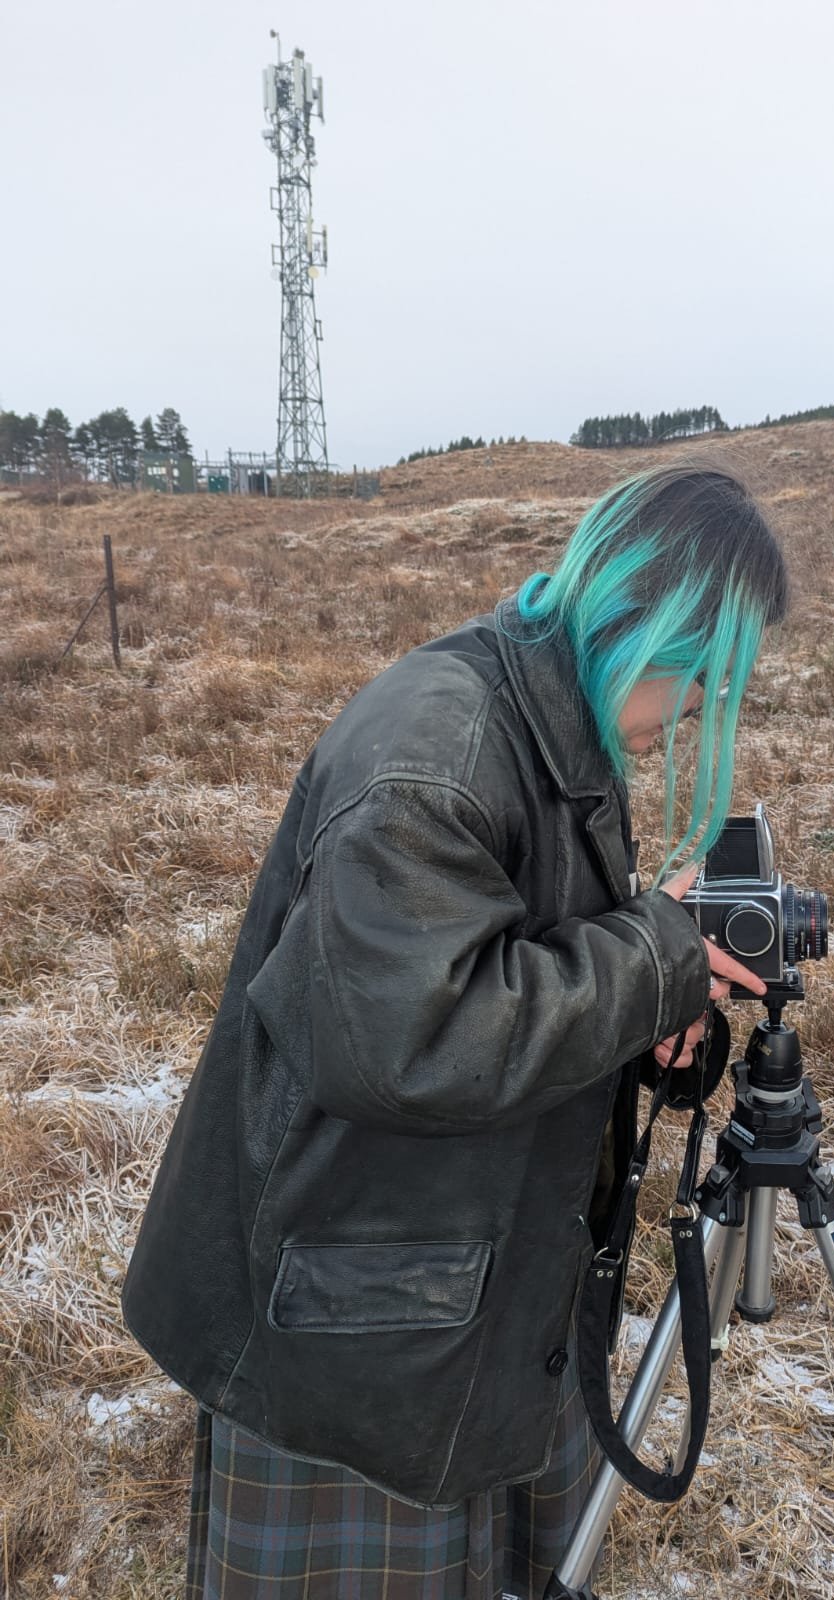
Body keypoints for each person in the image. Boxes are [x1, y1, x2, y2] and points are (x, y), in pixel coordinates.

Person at [121, 459, 790, 1599]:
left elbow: (521, 956)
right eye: (697, 676)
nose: (692, 711)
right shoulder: (436, 754)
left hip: (457, 1286)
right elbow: (413, 1039)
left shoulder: (553, 718)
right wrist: (654, 955)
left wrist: (656, 1013)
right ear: (647, 619)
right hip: (356, 1308)